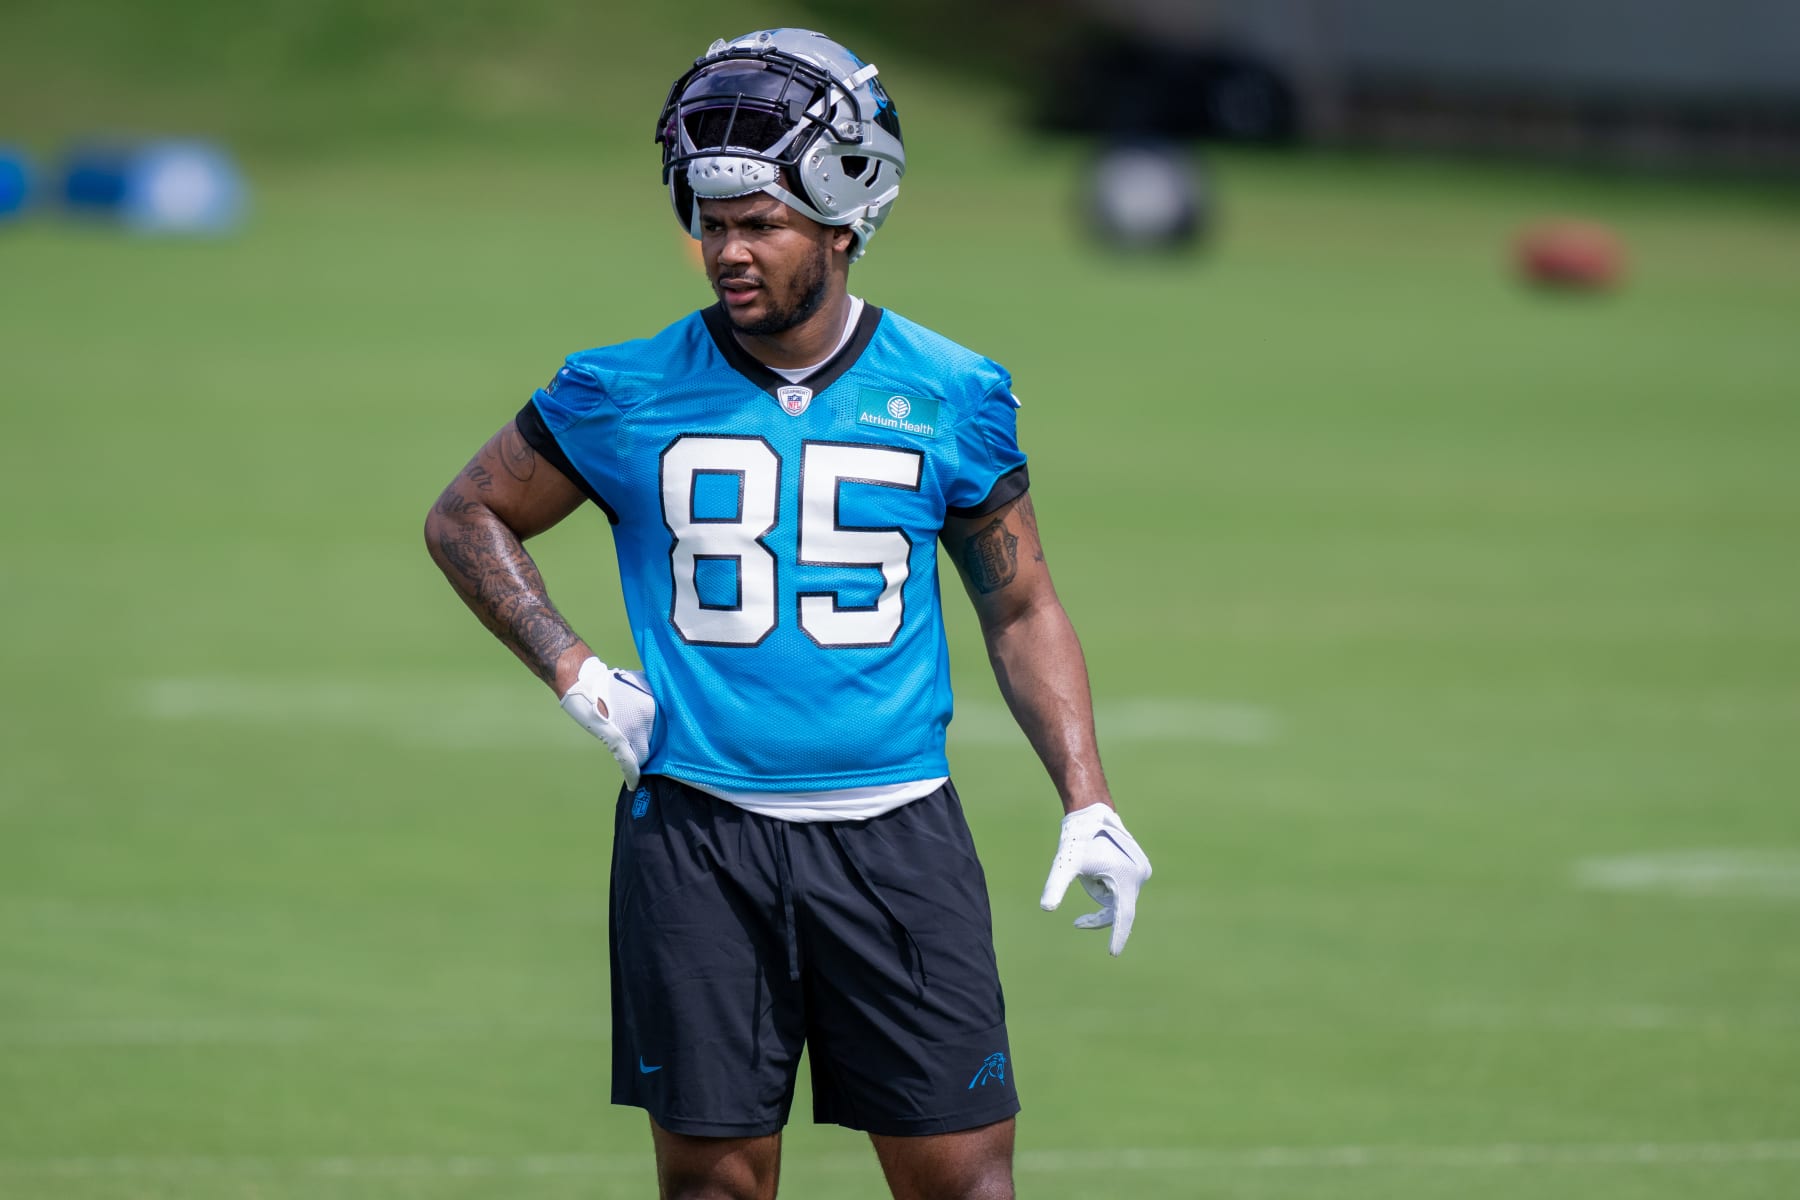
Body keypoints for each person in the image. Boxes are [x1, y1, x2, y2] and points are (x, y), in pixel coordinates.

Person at [425, 28, 1152, 1200]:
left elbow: (1020, 605)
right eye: (711, 223)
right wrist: (571, 668)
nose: (726, 252)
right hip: (698, 841)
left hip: (898, 837)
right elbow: (466, 517)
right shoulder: (619, 389)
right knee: (715, 1190)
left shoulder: (954, 392)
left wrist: (1089, 798)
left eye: (758, 222)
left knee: (967, 1187)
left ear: (844, 216)